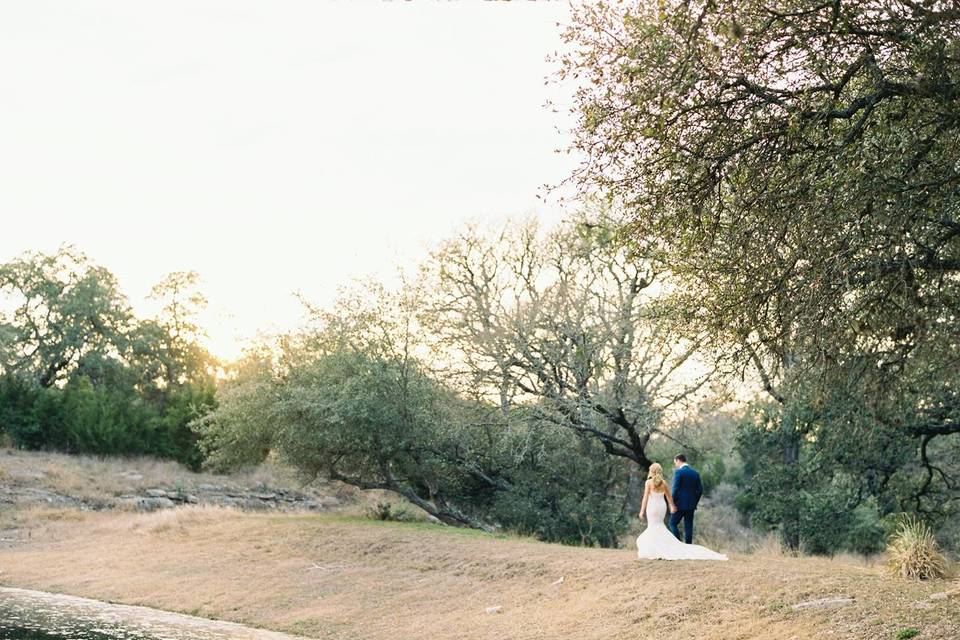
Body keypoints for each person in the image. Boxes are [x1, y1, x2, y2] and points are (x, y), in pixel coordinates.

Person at [635, 462, 726, 561]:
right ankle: (662, 547)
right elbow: (669, 497)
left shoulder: (648, 482)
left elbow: (645, 498)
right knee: (660, 525)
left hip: (652, 507)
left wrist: (642, 511)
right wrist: (673, 506)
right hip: (661, 507)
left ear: (651, 471)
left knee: (653, 526)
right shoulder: (664, 483)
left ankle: (655, 548)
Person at [668, 454, 702, 544]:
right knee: (688, 527)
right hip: (691, 505)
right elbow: (700, 490)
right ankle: (688, 548)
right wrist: (694, 502)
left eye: (675, 462)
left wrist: (672, 503)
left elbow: (675, 489)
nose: (675, 464)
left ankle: (679, 545)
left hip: (679, 505)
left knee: (672, 523)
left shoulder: (679, 472)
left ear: (678, 460)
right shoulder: (695, 473)